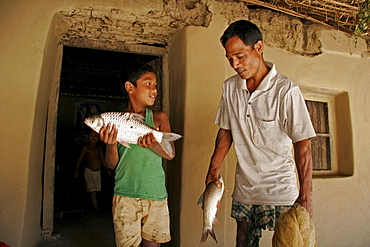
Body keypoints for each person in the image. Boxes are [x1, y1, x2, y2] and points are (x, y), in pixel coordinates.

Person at [205, 20, 316, 246]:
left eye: (240, 55)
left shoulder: (286, 90)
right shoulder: (230, 88)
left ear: (259, 47)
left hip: (281, 190)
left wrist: (306, 195)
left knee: (288, 243)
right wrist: (213, 168)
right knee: (243, 241)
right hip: (245, 188)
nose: (234, 64)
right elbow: (226, 131)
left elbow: (302, 144)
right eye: (229, 58)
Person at [99, 62, 176, 247]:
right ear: (129, 87)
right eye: (148, 83)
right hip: (126, 194)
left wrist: (151, 144)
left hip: (156, 194)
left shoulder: (159, 117)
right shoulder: (114, 121)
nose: (154, 90)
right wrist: (110, 146)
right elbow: (111, 165)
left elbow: (170, 154)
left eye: (155, 85)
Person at [75, 130, 111, 213]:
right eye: (91, 135)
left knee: (97, 190)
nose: (93, 137)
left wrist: (107, 169)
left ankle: (95, 206)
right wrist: (76, 171)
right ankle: (96, 208)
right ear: (87, 137)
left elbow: (102, 159)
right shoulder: (86, 148)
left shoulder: (99, 148)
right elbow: (80, 159)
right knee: (92, 190)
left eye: (95, 135)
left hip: (98, 172)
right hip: (89, 171)